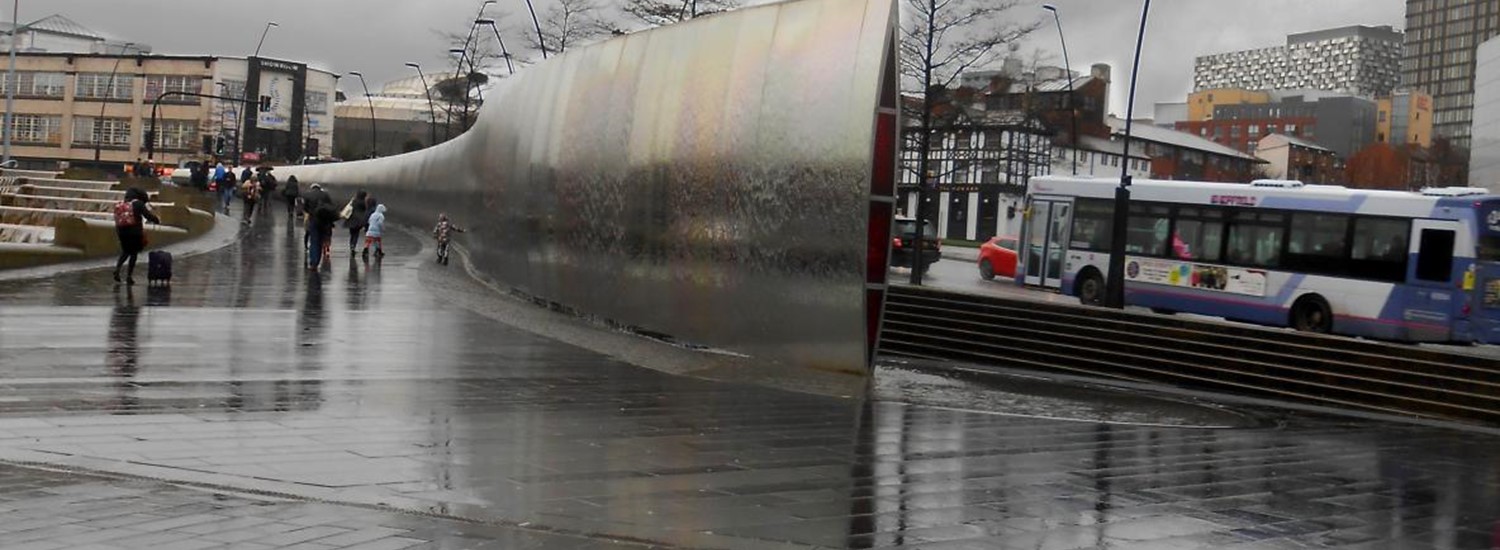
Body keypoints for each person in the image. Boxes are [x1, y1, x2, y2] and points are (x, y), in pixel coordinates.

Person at [112, 187, 160, 285]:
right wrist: (156, 220)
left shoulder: (121, 205)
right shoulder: (138, 204)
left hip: (122, 232)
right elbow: (148, 216)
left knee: (125, 251)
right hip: (135, 232)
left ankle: (117, 269)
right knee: (133, 253)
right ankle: (129, 276)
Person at [301, 183, 335, 270]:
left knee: (314, 241)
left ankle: (313, 263)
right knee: (320, 241)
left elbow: (305, 208)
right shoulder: (325, 195)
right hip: (324, 221)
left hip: (313, 220)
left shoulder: (307, 195)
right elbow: (331, 207)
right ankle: (317, 261)